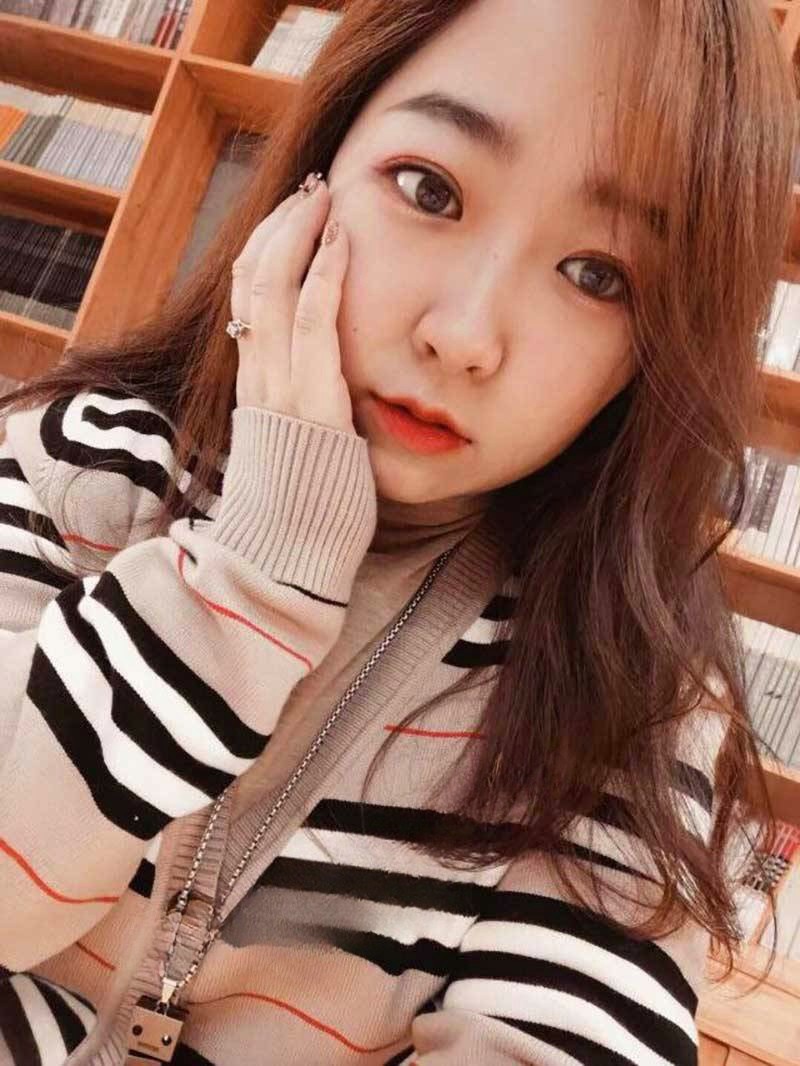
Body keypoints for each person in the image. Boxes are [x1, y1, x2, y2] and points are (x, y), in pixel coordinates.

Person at [0, 0, 795, 1063]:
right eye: (430, 189)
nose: (463, 336)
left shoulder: (624, 699)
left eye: (597, 275)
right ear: (314, 171)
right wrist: (254, 572)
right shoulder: (85, 467)